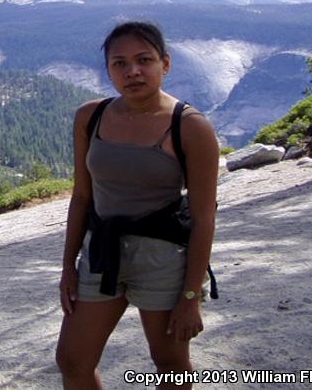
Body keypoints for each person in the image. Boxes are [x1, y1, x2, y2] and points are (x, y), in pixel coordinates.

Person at [55, 21, 219, 389]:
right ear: (109, 69)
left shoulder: (189, 126)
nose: (132, 71)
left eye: (144, 60)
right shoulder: (91, 116)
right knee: (72, 359)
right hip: (100, 253)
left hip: (162, 259)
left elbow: (204, 216)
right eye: (119, 63)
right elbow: (82, 195)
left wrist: (191, 296)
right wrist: (68, 266)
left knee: (170, 366)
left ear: (166, 64)